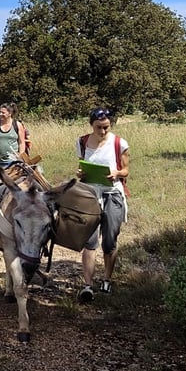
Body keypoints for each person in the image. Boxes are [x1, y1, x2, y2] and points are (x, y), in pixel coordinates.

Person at [76, 106, 130, 300]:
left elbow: (126, 170)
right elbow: (81, 165)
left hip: (112, 193)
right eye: (99, 127)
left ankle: (107, 279)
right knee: (89, 241)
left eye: (106, 127)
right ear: (91, 125)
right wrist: (80, 173)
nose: (103, 131)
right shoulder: (82, 142)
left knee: (109, 240)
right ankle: (87, 285)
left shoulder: (119, 143)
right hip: (90, 194)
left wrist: (116, 173)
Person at [0, 102, 28, 167]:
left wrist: (20, 156)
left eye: (3, 113)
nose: (0, 114)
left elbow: (21, 143)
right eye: (0, 112)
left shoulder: (17, 125)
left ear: (10, 113)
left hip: (12, 162)